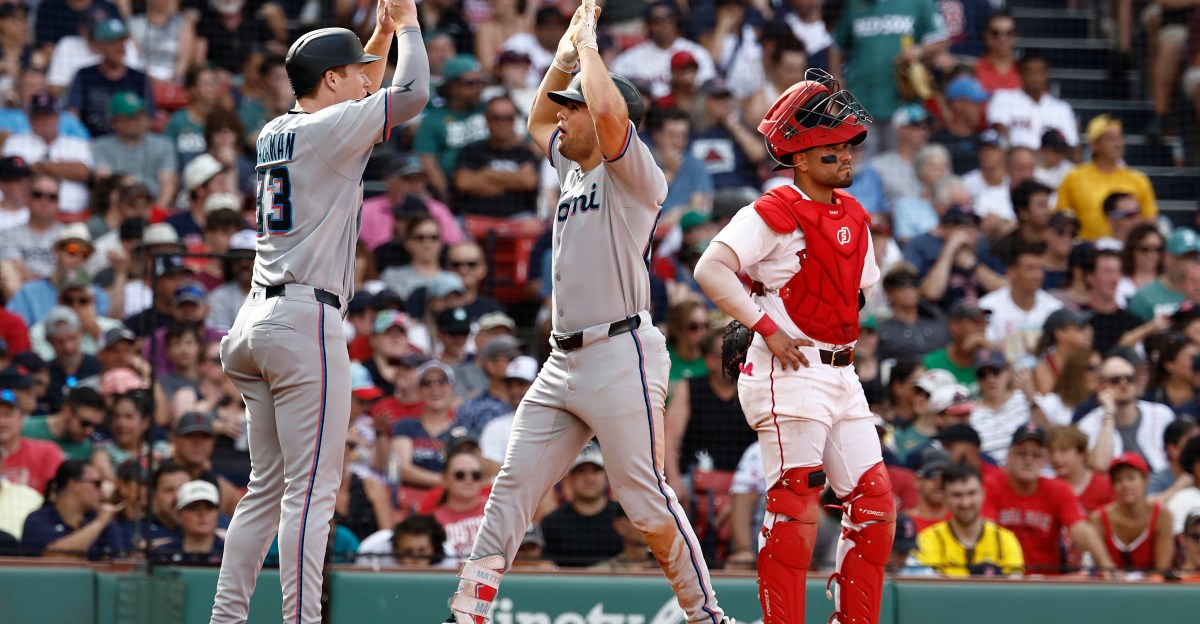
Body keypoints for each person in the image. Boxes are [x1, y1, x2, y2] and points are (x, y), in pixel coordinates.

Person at [444, 4, 729, 624]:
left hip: (620, 351)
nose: (563, 116)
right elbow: (536, 116)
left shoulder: (636, 174)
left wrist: (594, 48)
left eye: (576, 106)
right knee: (510, 491)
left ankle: (706, 615)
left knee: (645, 501)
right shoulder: (572, 170)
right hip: (560, 358)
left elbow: (604, 112)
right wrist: (566, 56)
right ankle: (467, 614)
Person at [208, 4, 429, 623]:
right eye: (357, 71)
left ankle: (225, 619)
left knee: (265, 492)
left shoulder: (277, 128)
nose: (369, 78)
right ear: (331, 80)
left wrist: (378, 36)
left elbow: (365, 86)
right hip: (304, 320)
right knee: (311, 495)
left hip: (256, 319)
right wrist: (408, 24)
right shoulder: (329, 130)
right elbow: (412, 92)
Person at [693, 65, 893, 624]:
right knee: (797, 504)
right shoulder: (773, 209)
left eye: (848, 146)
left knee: (875, 505)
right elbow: (710, 269)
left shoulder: (854, 213)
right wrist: (765, 326)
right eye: (831, 150)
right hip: (790, 366)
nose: (846, 156)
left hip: (841, 372)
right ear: (799, 158)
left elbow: (857, 294)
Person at [985, 424, 1116, 575]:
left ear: (1044, 460)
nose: (1029, 460)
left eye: (1036, 455)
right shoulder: (991, 485)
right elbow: (985, 531)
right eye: (1022, 454)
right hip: (1002, 579)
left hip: (1046, 583)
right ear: (1009, 456)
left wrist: (1106, 565)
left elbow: (1080, 529)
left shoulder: (1058, 489)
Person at [1055, 115, 1157, 242]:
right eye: (1110, 138)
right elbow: (1062, 217)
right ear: (1094, 144)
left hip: (1126, 251)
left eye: (1120, 137)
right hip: (1087, 250)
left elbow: (1149, 221)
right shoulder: (1074, 177)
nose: (1118, 143)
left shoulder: (1138, 179)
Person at [915, 462, 1024, 577]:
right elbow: (929, 589)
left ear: (983, 494)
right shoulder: (928, 539)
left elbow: (1015, 588)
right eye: (957, 495)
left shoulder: (1005, 540)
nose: (965, 503)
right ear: (945, 498)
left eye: (971, 493)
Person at [1075, 355, 1177, 474]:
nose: (1123, 384)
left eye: (1129, 378)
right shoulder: (1088, 424)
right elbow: (1100, 466)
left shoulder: (1162, 414)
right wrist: (1109, 413)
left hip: (1162, 486)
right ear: (1101, 387)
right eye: (1115, 380)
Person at [20, 459, 125, 559]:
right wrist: (99, 523)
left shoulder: (104, 521)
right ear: (73, 484)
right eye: (97, 484)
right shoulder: (37, 520)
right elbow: (54, 557)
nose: (101, 491)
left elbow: (117, 563)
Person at [1090, 452, 1174, 575]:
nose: (1125, 485)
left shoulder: (1162, 516)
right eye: (1118, 480)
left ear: (1145, 480)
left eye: (1131, 478)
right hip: (1110, 589)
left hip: (1153, 591)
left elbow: (1161, 570)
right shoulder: (1098, 519)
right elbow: (1102, 570)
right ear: (1113, 486)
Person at [150, 479, 224, 564]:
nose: (202, 513)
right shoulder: (162, 554)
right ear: (179, 514)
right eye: (193, 508)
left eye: (209, 508)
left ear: (218, 513)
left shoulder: (232, 553)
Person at [1046, 425, 1114, 514]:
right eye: (1051, 452)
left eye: (1063, 451)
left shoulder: (1106, 486)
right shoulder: (1046, 489)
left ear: (1081, 454)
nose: (1056, 458)